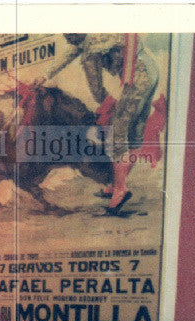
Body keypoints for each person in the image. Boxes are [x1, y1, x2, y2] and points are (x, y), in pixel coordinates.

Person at [38, 33, 159, 215]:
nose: (66, 40)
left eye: (68, 36)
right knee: (135, 131)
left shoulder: (90, 49)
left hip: (138, 78)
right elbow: (68, 55)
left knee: (117, 132)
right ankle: (115, 185)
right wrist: (45, 75)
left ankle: (120, 190)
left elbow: (96, 88)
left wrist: (106, 104)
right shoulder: (91, 35)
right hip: (151, 70)